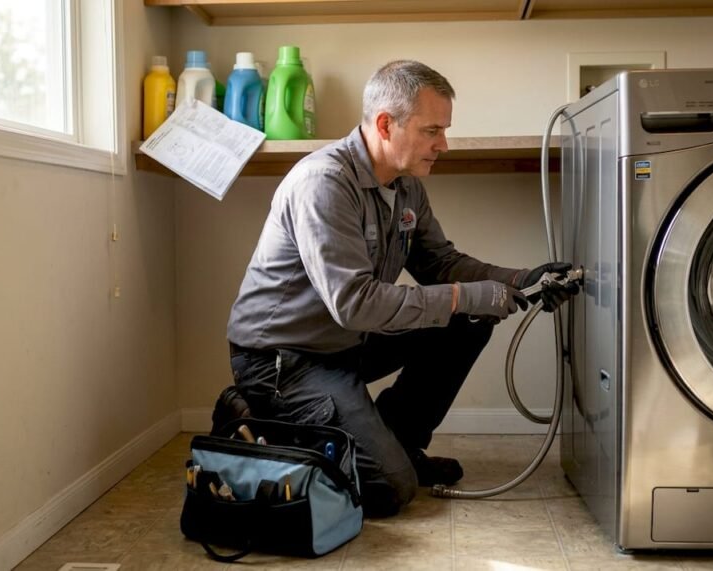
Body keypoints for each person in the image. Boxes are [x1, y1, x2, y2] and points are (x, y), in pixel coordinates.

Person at [224, 60, 578, 517]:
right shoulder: (325, 183)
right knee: (389, 490)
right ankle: (257, 419)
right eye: (432, 130)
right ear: (386, 124)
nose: (443, 145)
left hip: (343, 343)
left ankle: (396, 445)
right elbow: (355, 303)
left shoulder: (404, 186)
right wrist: (467, 295)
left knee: (469, 321)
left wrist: (520, 279)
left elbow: (441, 264)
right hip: (284, 360)